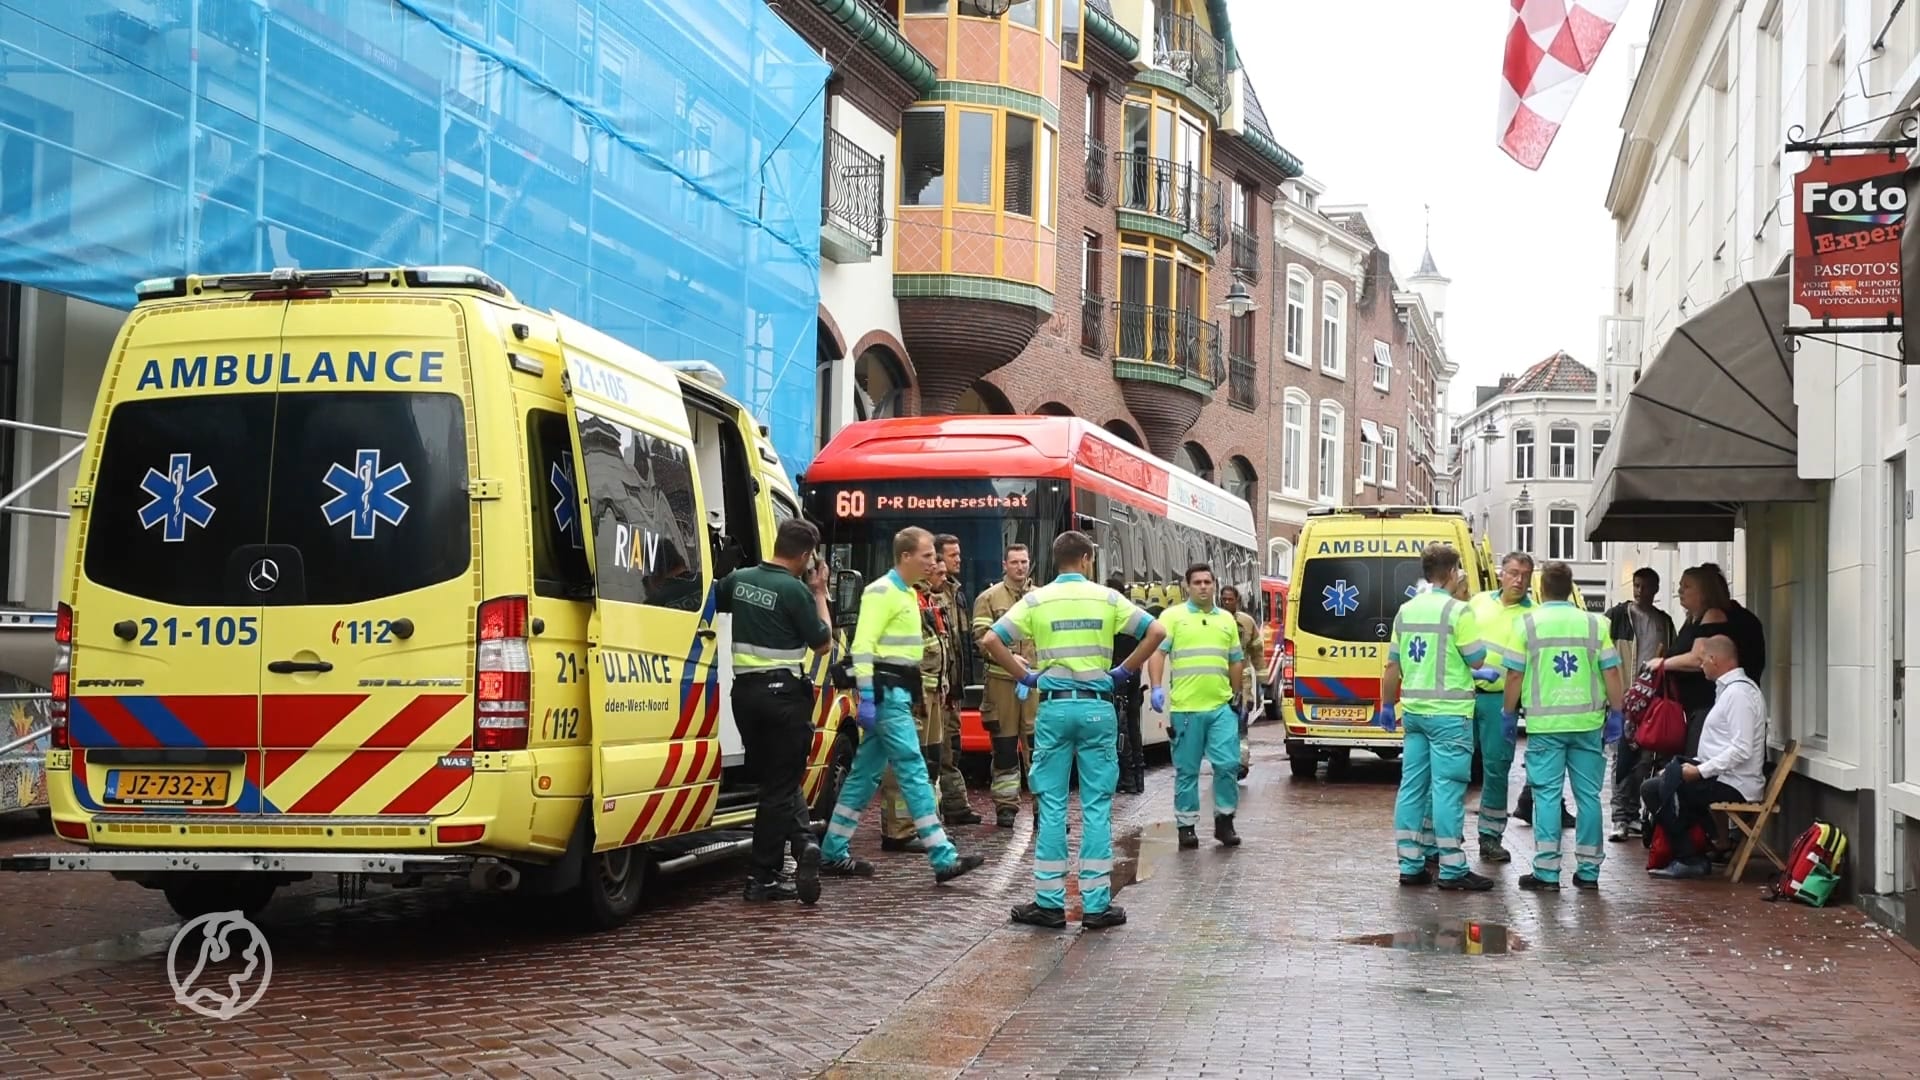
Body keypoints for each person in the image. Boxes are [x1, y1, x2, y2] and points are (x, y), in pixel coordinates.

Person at [980, 530, 1166, 930]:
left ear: (1056, 560)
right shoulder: (1107, 598)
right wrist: (1121, 672)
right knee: (1097, 806)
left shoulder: (1036, 599)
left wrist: (1028, 676)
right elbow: (1157, 632)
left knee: (1052, 805)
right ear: (1085, 559)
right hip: (1097, 709)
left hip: (1054, 707)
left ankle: (1049, 902)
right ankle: (1096, 905)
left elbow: (991, 639)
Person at [820, 526, 987, 884]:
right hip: (886, 694)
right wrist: (866, 694)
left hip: (893, 692)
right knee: (912, 769)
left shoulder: (905, 592)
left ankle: (833, 850)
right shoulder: (883, 592)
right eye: (927, 555)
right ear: (906, 556)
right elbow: (862, 646)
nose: (934, 561)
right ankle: (943, 856)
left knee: (864, 776)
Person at [715, 519, 834, 903]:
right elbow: (823, 643)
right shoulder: (796, 591)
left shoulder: (738, 580)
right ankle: (761, 877)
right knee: (778, 788)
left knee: (775, 780)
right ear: (805, 555)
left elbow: (716, 601)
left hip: (744, 696)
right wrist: (820, 593)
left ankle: (802, 844)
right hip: (784, 698)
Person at [1376, 542, 1496, 891]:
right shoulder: (1459, 612)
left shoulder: (1406, 611)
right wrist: (1481, 670)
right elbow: (1475, 658)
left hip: (1413, 713)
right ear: (1453, 573)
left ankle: (1410, 864)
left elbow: (1394, 665)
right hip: (1450, 716)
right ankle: (1452, 868)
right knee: (1447, 791)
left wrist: (1387, 705)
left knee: (1412, 788)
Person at [1500, 561, 1627, 891]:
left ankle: (1546, 871)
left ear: (1541, 589)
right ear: (1571, 589)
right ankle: (1588, 871)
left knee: (1546, 795)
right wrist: (1617, 712)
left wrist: (1508, 713)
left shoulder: (1527, 624)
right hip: (1587, 724)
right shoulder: (1595, 624)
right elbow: (1612, 671)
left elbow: (1514, 674)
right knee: (1588, 797)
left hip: (1545, 725)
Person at [1649, 634, 1766, 879]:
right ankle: (1695, 848)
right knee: (1656, 785)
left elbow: (1741, 748)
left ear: (1714, 660)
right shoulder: (1729, 691)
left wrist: (1699, 771)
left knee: (1665, 789)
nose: (1700, 665)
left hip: (1734, 784)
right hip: (1723, 776)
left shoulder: (1738, 695)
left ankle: (1689, 857)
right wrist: (1692, 766)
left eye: (1702, 661)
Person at [1147, 564, 1247, 849]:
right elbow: (1158, 653)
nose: (1203, 587)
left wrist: (1236, 695)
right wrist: (1156, 687)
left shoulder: (1226, 621)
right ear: (1187, 586)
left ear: (1215, 585)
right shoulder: (1173, 617)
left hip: (1220, 707)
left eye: (1208, 582)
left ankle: (1224, 820)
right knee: (1187, 771)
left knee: (1228, 765)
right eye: (1197, 582)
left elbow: (1236, 659)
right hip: (1187, 710)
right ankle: (1186, 826)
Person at [875, 555, 962, 852]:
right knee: (904, 763)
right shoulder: (904, 599)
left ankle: (922, 825)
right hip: (912, 694)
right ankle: (898, 830)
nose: (943, 573)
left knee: (927, 763)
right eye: (937, 569)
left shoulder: (928, 600)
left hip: (932, 692)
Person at [1465, 551, 1533, 864]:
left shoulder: (1533, 616)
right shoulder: (1478, 603)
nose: (1519, 580)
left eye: (1525, 574)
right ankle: (1442, 837)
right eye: (1514, 573)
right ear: (1501, 574)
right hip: (1465, 694)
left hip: (1500, 701)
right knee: (1453, 770)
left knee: (1496, 770)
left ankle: (1490, 838)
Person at [1605, 567, 1676, 841]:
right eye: (1636, 585)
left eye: (1645, 586)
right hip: (1624, 697)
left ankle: (1633, 814)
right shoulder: (1618, 617)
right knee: (1622, 757)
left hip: (1652, 700)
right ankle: (1620, 817)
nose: (1639, 591)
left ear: (1655, 590)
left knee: (1645, 759)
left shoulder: (1664, 623)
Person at [973, 544, 1041, 826]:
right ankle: (1005, 807)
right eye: (1014, 562)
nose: (1020, 567)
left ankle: (1043, 808)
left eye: (1024, 562)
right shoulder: (988, 598)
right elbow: (981, 637)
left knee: (1039, 749)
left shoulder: (1042, 597)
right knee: (1003, 748)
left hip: (1035, 683)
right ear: (1005, 565)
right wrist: (1008, 657)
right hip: (1001, 683)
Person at [931, 534, 982, 825]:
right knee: (942, 749)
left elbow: (959, 641)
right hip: (942, 686)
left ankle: (955, 805)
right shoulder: (933, 596)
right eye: (952, 555)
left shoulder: (956, 593)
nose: (958, 560)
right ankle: (947, 807)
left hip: (954, 684)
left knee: (953, 745)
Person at [1108, 572, 1148, 796]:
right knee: (1133, 728)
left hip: (1118, 675)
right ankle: (1136, 780)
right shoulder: (1133, 615)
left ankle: (1127, 779)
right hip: (1132, 675)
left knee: (1121, 729)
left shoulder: (1112, 617)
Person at [1219, 585, 1264, 781]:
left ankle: (1241, 762)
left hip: (1243, 681)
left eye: (1230, 599)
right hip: (1219, 679)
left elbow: (1257, 650)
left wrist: (1262, 681)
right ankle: (1224, 763)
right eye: (1224, 599)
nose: (1227, 602)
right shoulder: (1213, 621)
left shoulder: (1247, 622)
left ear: (1237, 600)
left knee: (1241, 722)